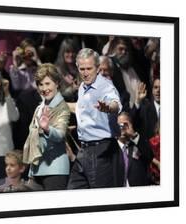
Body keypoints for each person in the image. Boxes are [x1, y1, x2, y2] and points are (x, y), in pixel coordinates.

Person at [67, 48, 122, 189]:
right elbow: (81, 107)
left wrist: (109, 107)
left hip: (101, 150)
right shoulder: (82, 86)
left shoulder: (105, 86)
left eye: (89, 68)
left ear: (97, 68)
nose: (85, 73)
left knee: (100, 200)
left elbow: (115, 104)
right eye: (82, 69)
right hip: (84, 150)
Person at [23, 63, 71, 191]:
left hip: (55, 169)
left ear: (57, 83)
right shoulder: (40, 107)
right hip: (36, 170)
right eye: (41, 84)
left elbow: (60, 134)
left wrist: (47, 129)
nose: (44, 88)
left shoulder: (62, 107)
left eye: (47, 83)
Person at [115, 112, 154, 186]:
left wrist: (134, 135)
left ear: (131, 125)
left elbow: (150, 156)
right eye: (119, 125)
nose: (122, 128)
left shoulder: (138, 143)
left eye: (125, 125)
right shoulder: (111, 147)